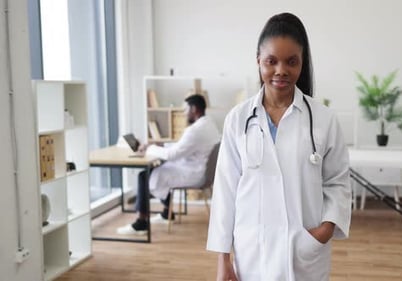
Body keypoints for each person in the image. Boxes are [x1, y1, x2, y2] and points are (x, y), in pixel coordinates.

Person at [206, 12, 351, 281]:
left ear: (302, 63)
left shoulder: (323, 119)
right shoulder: (238, 119)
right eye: (271, 61)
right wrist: (222, 259)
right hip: (252, 250)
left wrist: (325, 230)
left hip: (304, 249)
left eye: (291, 62)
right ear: (258, 60)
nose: (281, 70)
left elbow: (338, 182)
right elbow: (225, 192)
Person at [118, 94, 220, 235]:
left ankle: (141, 222)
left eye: (185, 110)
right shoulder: (209, 124)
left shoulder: (194, 130)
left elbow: (172, 155)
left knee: (144, 175)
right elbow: (183, 146)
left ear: (194, 109)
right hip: (200, 171)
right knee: (157, 170)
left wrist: (149, 148)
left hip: (193, 174)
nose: (184, 113)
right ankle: (167, 213)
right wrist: (159, 145)